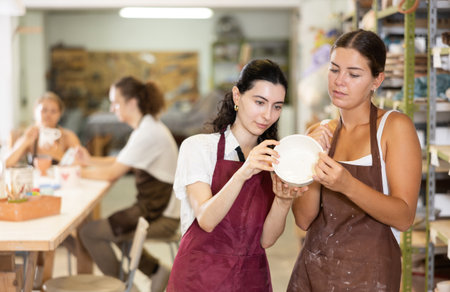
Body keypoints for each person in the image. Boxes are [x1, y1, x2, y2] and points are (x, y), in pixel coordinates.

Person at [287, 29, 422, 291]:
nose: (340, 81)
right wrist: (312, 153)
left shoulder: (394, 127)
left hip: (370, 276)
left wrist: (347, 184)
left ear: (376, 80)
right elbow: (303, 220)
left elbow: (404, 217)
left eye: (354, 74)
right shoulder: (321, 132)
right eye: (334, 69)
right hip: (314, 271)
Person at [167, 59, 307, 292]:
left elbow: (266, 240)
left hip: (250, 279)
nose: (267, 115)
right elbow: (206, 219)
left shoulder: (273, 159)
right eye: (259, 102)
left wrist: (283, 200)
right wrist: (243, 172)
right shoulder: (199, 148)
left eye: (277, 106)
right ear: (237, 96)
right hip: (200, 278)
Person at [76, 76, 180, 292]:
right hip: (154, 207)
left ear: (132, 102)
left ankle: (123, 288)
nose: (112, 108)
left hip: (162, 215)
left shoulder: (147, 133)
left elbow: (113, 173)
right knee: (111, 228)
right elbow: (120, 160)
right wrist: (89, 162)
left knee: (90, 232)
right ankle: (156, 272)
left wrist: (78, 173)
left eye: (115, 102)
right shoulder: (147, 126)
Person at [5, 91, 80, 168]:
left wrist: (59, 155)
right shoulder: (28, 135)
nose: (48, 115)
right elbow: (6, 163)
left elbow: (81, 165)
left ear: (60, 114)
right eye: (44, 110)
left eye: (53, 111)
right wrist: (25, 142)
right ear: (35, 112)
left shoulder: (67, 136)